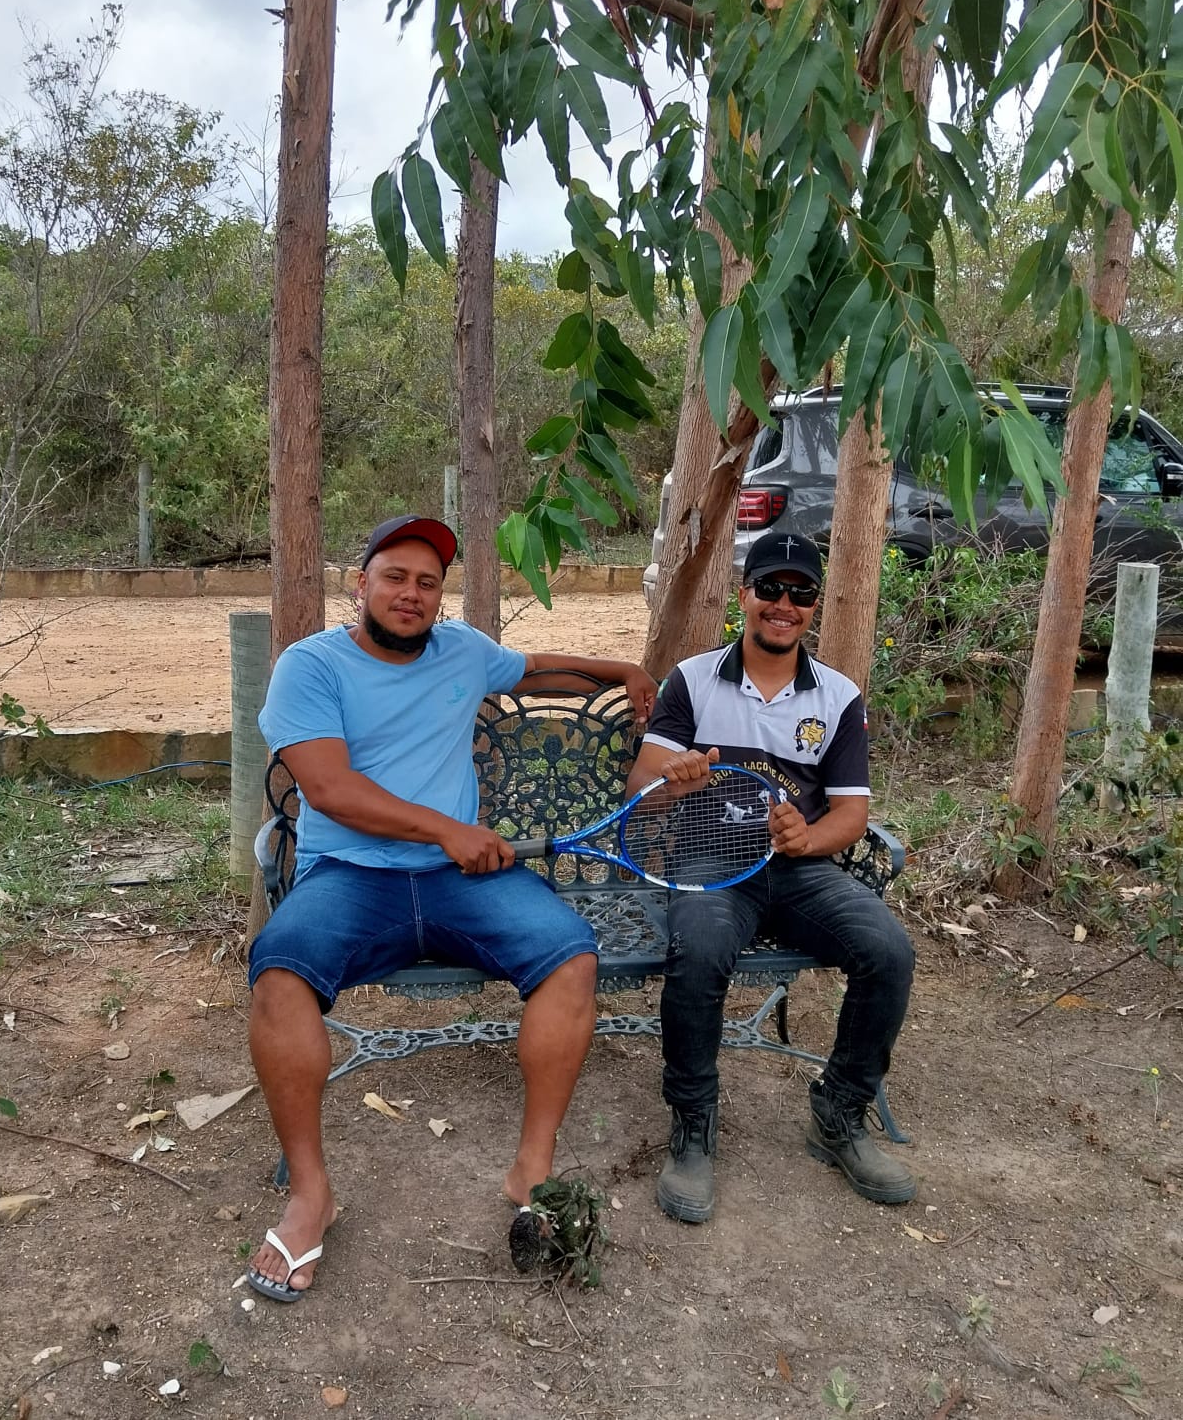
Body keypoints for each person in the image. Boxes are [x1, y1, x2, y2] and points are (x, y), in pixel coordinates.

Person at [246, 515, 657, 1301]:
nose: (411, 594)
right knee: (280, 974)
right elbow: (328, 790)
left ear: (440, 596)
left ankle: (531, 1170)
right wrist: (447, 829)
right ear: (360, 585)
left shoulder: (463, 650)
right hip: (351, 877)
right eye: (395, 577)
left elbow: (537, 667)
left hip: (459, 880)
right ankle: (310, 1194)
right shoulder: (311, 666)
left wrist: (622, 668)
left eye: (428, 583)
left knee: (571, 956)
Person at [626, 531, 915, 1223]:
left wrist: (807, 838)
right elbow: (641, 788)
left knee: (889, 952)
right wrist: (676, 780)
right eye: (770, 588)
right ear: (744, 595)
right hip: (712, 864)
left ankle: (839, 1114)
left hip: (802, 870)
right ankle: (693, 1122)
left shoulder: (838, 696)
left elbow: (851, 814)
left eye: (801, 592)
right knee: (699, 951)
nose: (784, 604)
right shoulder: (693, 680)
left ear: (814, 605)